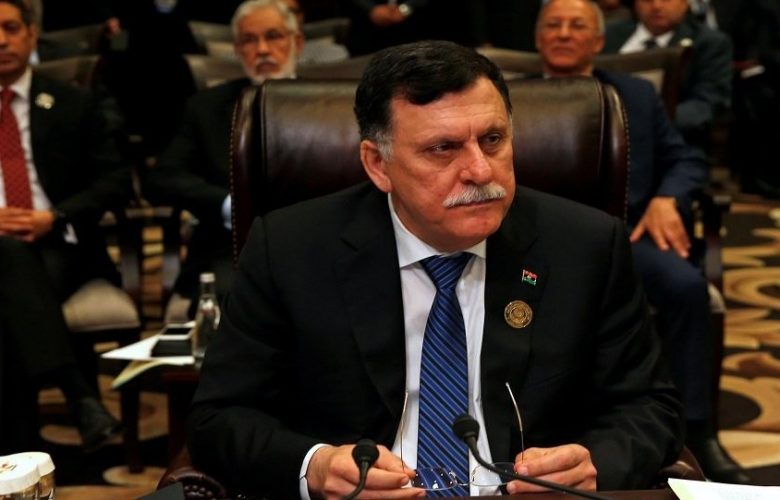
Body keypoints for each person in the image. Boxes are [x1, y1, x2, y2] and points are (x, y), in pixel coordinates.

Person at [187, 39, 684, 498]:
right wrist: (313, 466)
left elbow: (649, 407)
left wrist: (594, 464)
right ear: (378, 165)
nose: (480, 171)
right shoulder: (290, 249)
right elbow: (219, 416)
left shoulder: (585, 246)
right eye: (442, 149)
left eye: (493, 139)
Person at [534, 0, 749, 484]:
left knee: (687, 287)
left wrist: (668, 198)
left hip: (628, 235)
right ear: (537, 37)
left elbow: (685, 159)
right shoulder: (511, 96)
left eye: (576, 25)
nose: (564, 33)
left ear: (599, 40)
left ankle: (697, 431)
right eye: (553, 24)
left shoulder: (634, 93)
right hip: (539, 241)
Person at [0, 0, 130, 452]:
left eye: (10, 27)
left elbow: (116, 182)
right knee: (6, 259)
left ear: (32, 33)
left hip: (60, 243)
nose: (0, 40)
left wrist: (53, 217)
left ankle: (15, 447)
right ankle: (80, 397)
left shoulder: (73, 102)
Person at [144, 0, 303, 319]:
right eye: (249, 40)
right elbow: (163, 178)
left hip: (316, 240)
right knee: (234, 302)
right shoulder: (207, 107)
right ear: (237, 49)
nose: (262, 49)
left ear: (296, 42)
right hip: (230, 246)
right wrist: (227, 205)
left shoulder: (331, 103)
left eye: (273, 36)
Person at [603, 0, 732, 150]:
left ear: (685, 3)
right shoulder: (606, 36)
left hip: (674, 141)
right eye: (647, 0)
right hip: (606, 137)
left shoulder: (708, 43)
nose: (656, 6)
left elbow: (708, 103)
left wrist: (647, 122)